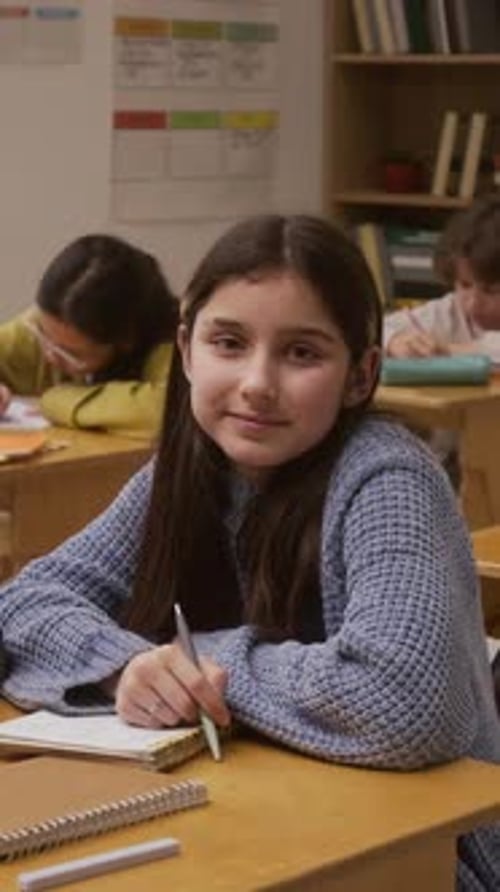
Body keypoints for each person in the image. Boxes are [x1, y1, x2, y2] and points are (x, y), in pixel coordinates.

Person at [0, 214, 498, 889]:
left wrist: (196, 663)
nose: (257, 382)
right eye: (229, 343)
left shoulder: (389, 478)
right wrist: (124, 666)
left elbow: (406, 703)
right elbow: (23, 604)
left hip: (424, 857)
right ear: (186, 350)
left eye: (302, 353)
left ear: (361, 375)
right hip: (251, 816)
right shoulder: (185, 472)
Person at [0, 234, 178, 437]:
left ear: (124, 341)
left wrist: (55, 400)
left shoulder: (173, 345)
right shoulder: (50, 321)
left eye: (69, 354)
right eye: (41, 333)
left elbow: (169, 409)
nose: (49, 355)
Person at [384, 193, 500, 362]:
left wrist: (449, 350)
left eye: (491, 290)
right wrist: (396, 341)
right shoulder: (449, 311)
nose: (473, 303)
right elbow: (378, 330)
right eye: (465, 285)